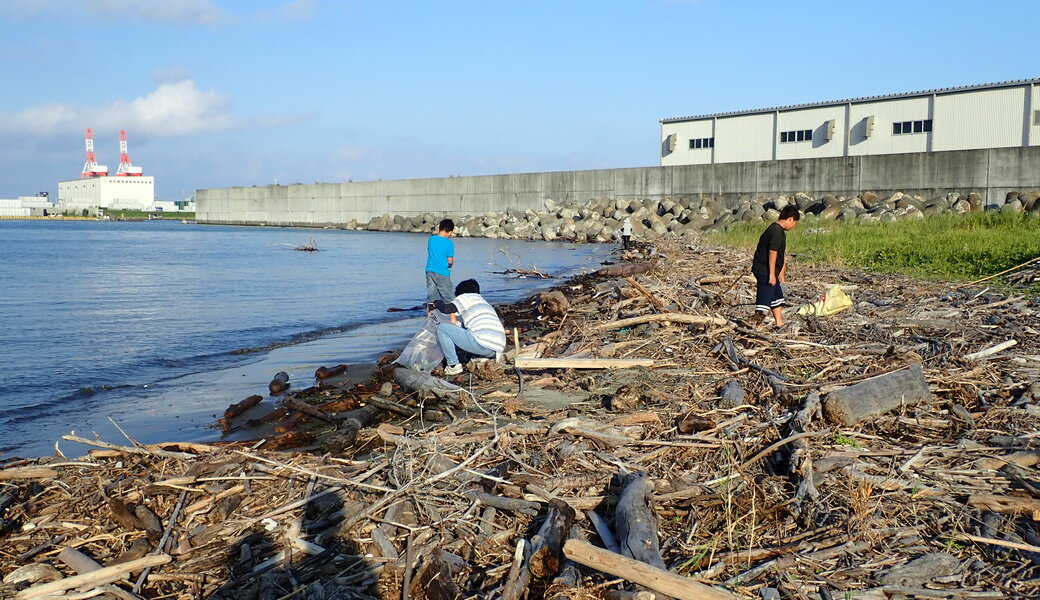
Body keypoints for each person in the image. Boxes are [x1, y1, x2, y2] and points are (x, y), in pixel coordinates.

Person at [432, 279, 507, 375]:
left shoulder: (465, 297)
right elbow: (466, 329)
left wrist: (436, 303)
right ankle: (480, 357)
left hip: (483, 344)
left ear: (460, 293)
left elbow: (446, 309)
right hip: (496, 349)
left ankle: (453, 365)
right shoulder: (483, 302)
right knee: (465, 332)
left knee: (442, 328)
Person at [751, 205, 800, 329]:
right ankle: (757, 325)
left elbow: (781, 253)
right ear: (791, 219)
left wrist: (782, 270)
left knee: (776, 296)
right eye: (795, 222)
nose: (794, 226)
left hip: (771, 269)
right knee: (764, 298)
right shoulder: (776, 231)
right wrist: (772, 274)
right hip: (764, 269)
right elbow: (772, 253)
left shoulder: (779, 231)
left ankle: (779, 323)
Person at [425, 219, 455, 313]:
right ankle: (453, 319)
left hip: (429, 270)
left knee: (432, 298)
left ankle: (430, 319)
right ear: (449, 232)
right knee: (449, 297)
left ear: (439, 228)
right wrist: (449, 265)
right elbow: (450, 261)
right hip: (442, 272)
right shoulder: (449, 243)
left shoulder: (431, 239)